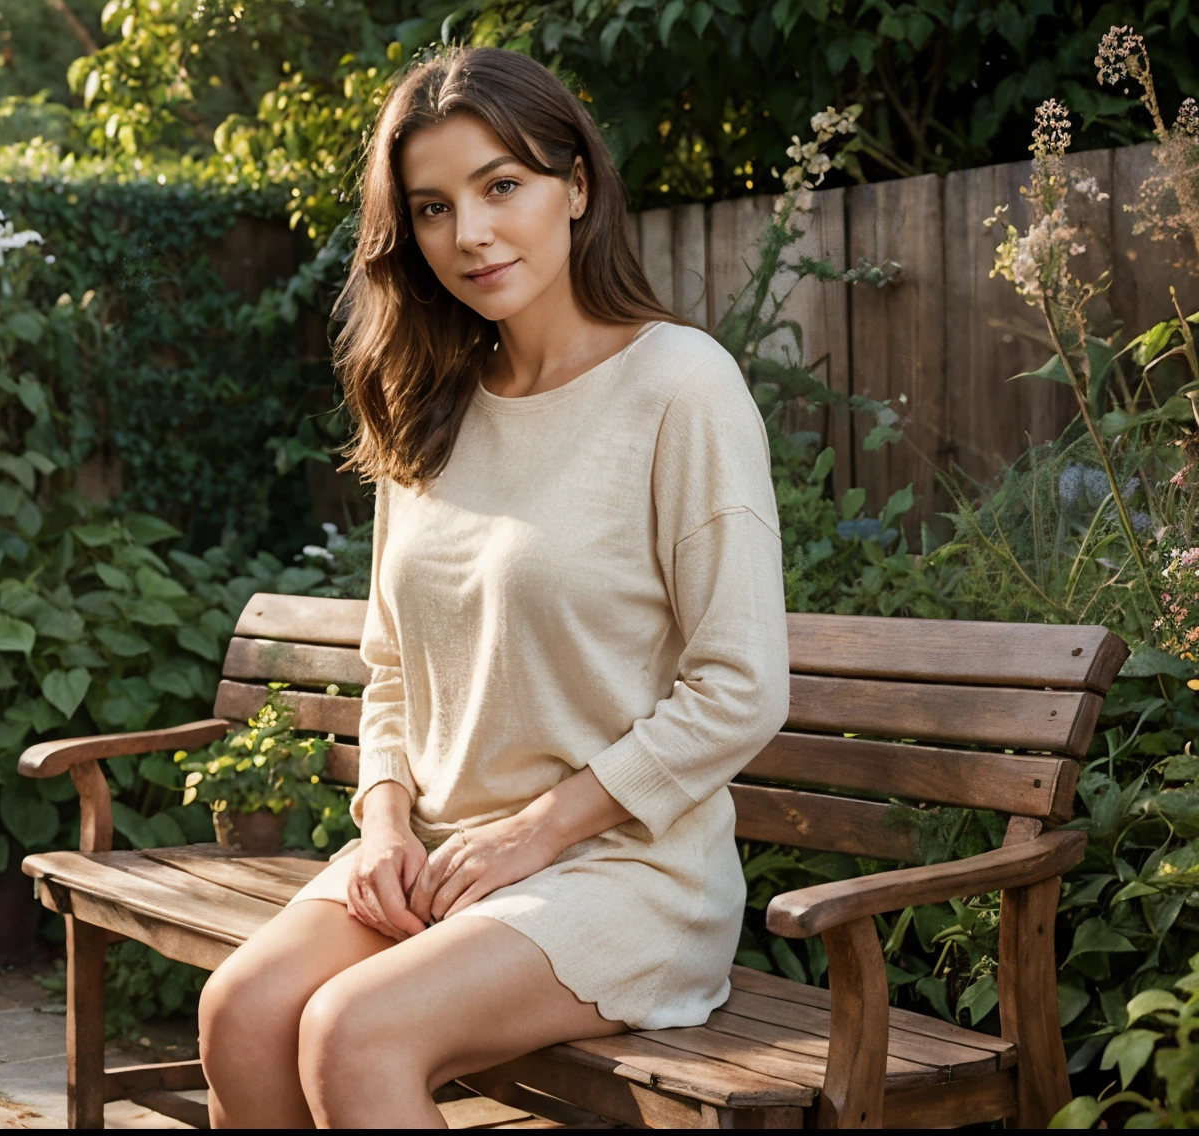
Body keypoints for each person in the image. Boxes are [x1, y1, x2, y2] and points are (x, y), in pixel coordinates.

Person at [195, 46, 791, 1128]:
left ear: (574, 184)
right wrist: (380, 823)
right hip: (435, 853)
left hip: (621, 870)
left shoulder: (679, 385)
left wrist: (534, 832)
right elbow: (387, 672)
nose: (467, 234)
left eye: (499, 185)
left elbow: (740, 684)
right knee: (239, 1009)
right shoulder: (430, 401)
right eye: (430, 206)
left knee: (351, 1030)